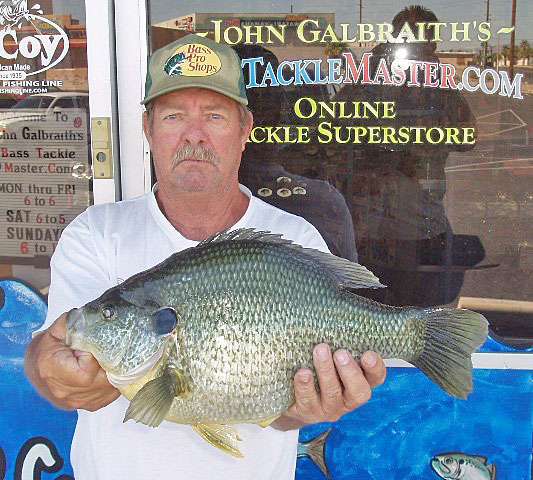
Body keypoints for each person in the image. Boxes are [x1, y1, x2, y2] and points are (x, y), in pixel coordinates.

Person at [24, 34, 386, 480]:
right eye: (175, 115)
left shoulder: (294, 236)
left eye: (214, 115)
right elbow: (53, 360)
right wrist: (50, 371)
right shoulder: (96, 235)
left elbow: (284, 416)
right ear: (147, 128)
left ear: (245, 128)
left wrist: (307, 407)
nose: (193, 135)